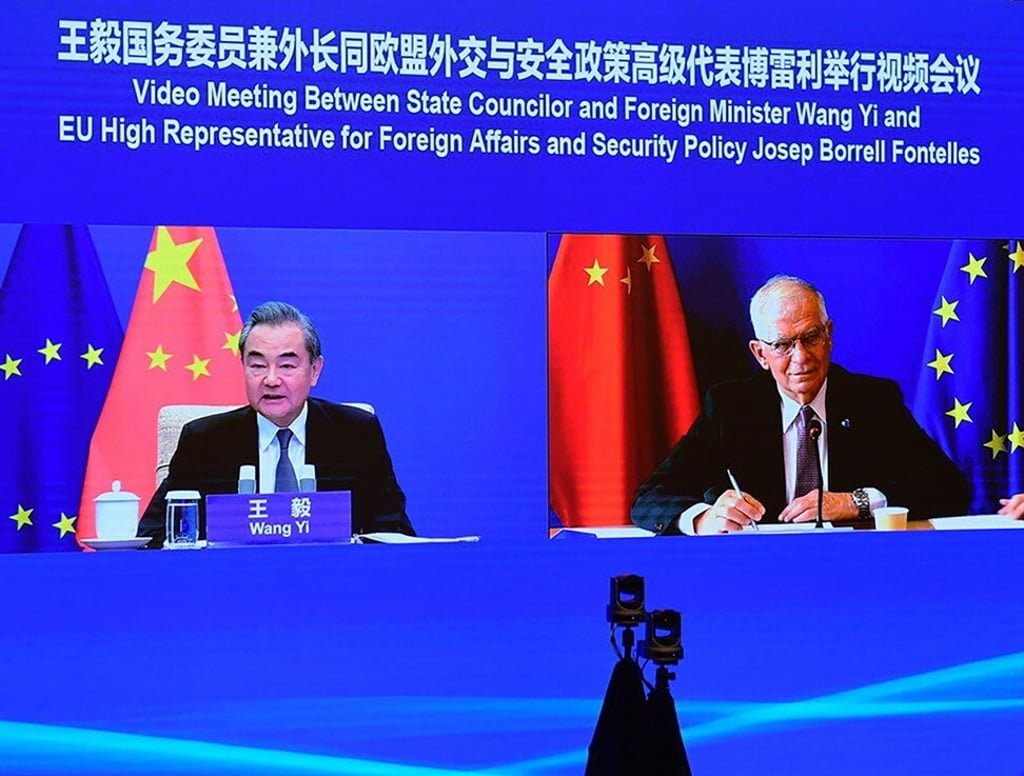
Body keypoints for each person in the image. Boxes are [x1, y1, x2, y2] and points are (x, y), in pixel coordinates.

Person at [631, 275, 969, 535]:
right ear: (760, 354)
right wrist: (704, 518)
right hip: (760, 572)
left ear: (829, 335)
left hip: (854, 568)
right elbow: (649, 498)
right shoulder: (730, 407)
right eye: (782, 345)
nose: (801, 357)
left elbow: (949, 488)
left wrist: (855, 502)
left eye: (811, 337)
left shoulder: (872, 401)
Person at [138, 301, 413, 546]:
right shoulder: (205, 441)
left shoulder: (355, 434)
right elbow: (153, 534)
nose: (271, 380)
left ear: (315, 370)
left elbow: (394, 532)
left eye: (287, 366)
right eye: (257, 366)